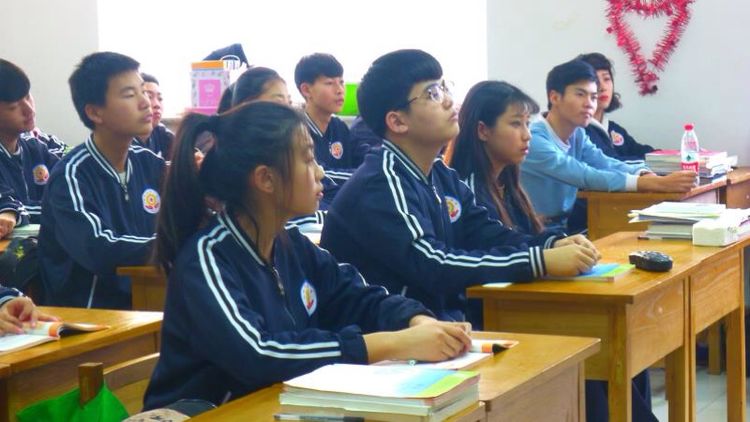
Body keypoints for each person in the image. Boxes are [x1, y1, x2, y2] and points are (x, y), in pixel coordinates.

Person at [143, 101, 472, 409]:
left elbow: (356, 297)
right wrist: (394, 343)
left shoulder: (291, 245)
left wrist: (416, 320)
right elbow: (259, 355)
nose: (321, 173)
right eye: (308, 159)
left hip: (275, 406)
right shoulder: (207, 258)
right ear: (266, 179)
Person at [321, 49, 599, 324]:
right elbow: (434, 264)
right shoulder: (382, 182)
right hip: (389, 337)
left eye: (444, 87)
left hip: (440, 326)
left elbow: (486, 233)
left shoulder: (439, 173)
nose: (447, 101)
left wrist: (551, 243)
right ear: (397, 121)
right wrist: (539, 261)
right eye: (432, 93)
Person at [39, 52, 165, 309]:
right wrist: (169, 245)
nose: (146, 103)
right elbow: (97, 248)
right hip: (90, 315)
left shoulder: (150, 164)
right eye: (129, 95)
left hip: (145, 302)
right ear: (95, 112)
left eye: (143, 91)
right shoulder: (71, 176)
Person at [521, 59, 697, 233]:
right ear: (554, 97)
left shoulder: (577, 134)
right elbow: (585, 175)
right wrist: (652, 184)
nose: (589, 104)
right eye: (580, 94)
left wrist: (643, 173)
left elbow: (605, 163)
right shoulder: (534, 140)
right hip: (530, 232)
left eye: (593, 97)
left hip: (561, 228)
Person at [0, 59, 60, 229]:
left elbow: (70, 188)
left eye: (27, 97)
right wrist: (12, 211)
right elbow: (6, 204)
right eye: (14, 107)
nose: (29, 110)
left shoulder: (35, 145)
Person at [294, 53, 357, 207]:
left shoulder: (339, 127)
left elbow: (360, 157)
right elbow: (320, 174)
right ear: (306, 90)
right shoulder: (296, 131)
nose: (340, 90)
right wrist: (365, 177)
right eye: (329, 83)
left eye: (341, 82)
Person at [578, 53, 654, 162]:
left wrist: (667, 157)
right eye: (594, 81)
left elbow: (637, 150)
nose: (603, 87)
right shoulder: (579, 130)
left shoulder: (613, 128)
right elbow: (610, 162)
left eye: (606, 79)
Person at [135, 73, 174, 159]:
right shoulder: (126, 140)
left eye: (160, 99)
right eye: (149, 97)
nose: (157, 105)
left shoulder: (162, 133)